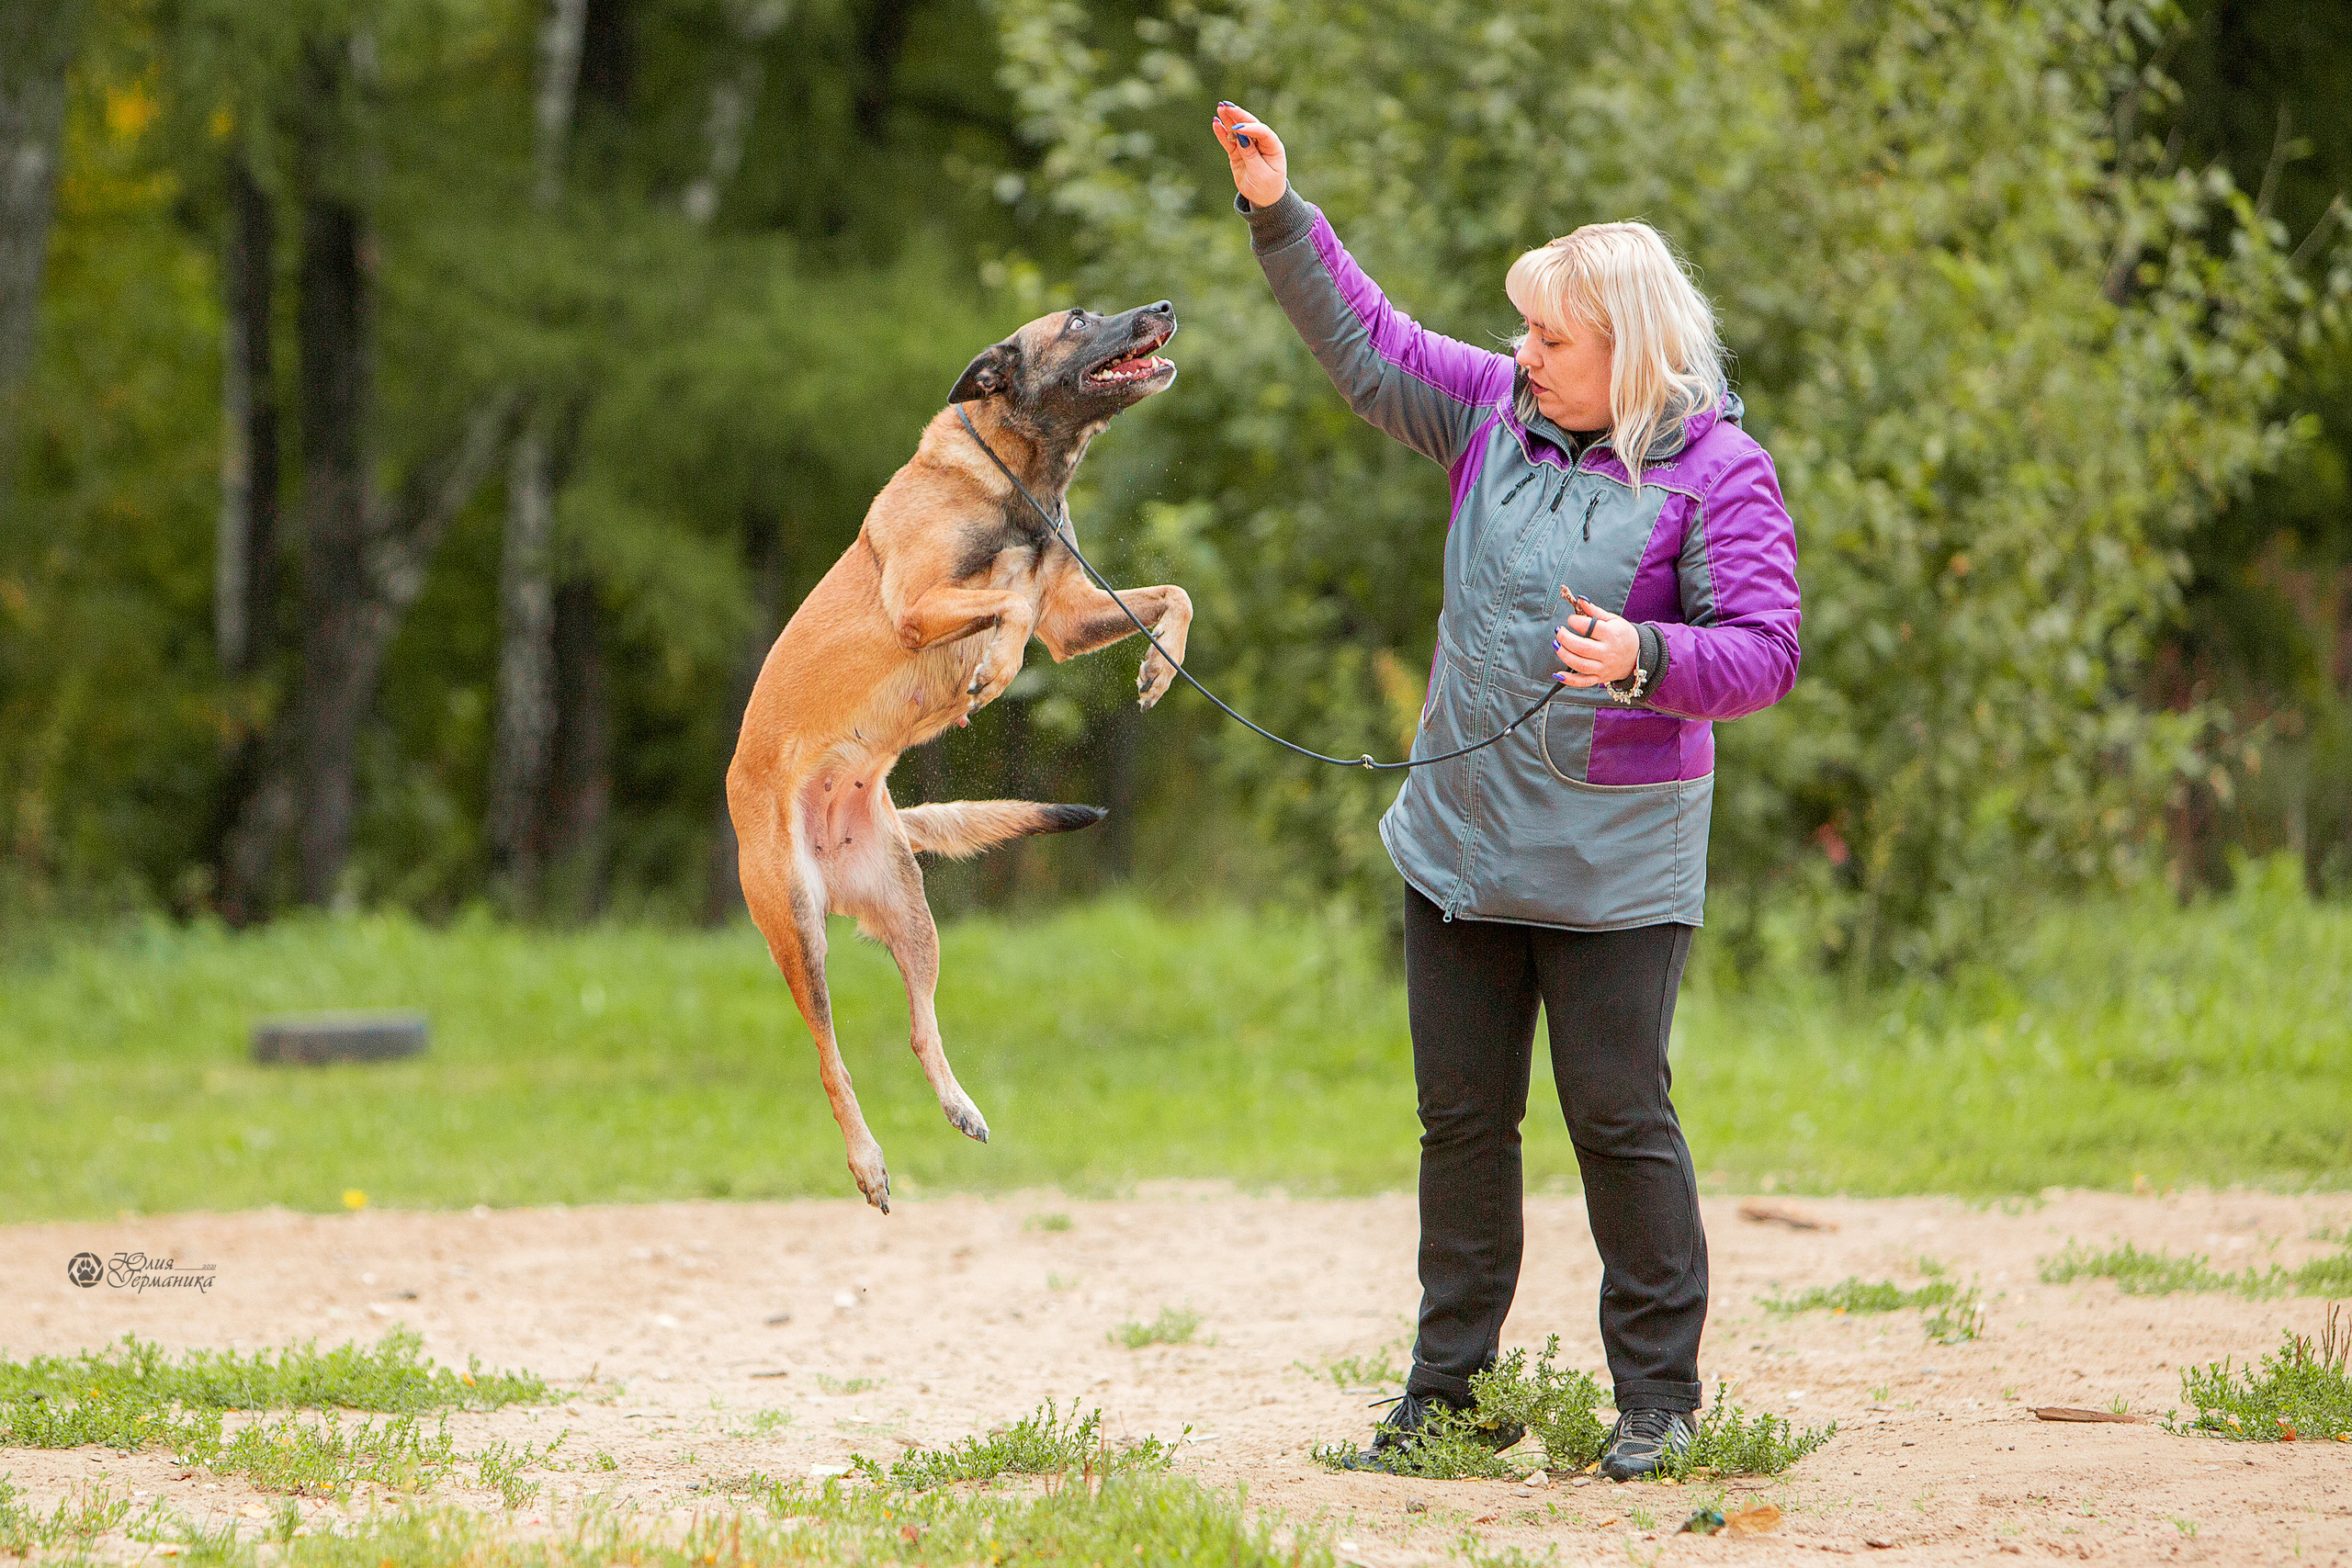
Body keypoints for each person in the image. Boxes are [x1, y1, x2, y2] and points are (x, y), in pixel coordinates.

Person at [1208, 103, 1801, 1480]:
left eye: (1551, 338)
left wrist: (1648, 656)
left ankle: (1658, 1401)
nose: (1524, 352)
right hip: (1460, 849)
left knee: (1620, 1125)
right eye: (1525, 332)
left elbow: (1767, 651)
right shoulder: (1493, 412)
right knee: (1463, 1128)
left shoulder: (1720, 473)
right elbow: (1370, 345)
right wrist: (1280, 214)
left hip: (1614, 872)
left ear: (1630, 354)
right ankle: (1451, 1399)